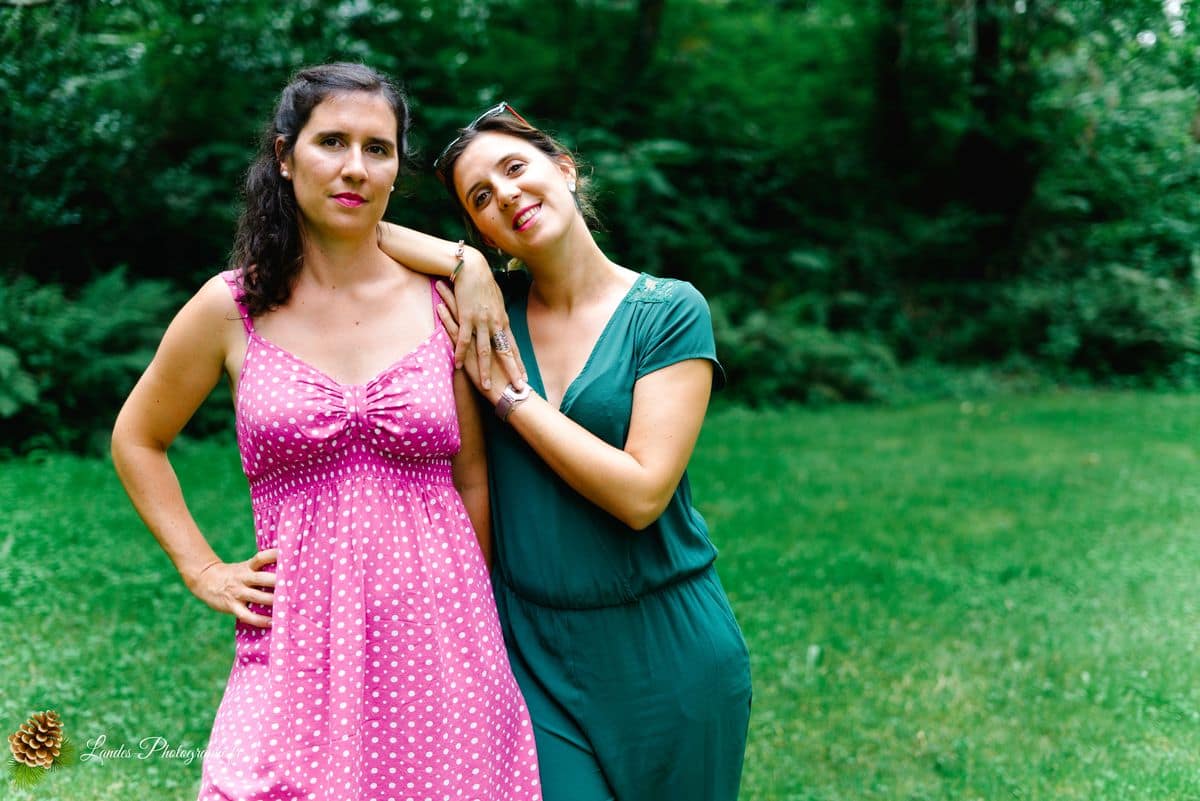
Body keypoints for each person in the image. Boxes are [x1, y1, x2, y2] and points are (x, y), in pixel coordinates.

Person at [110, 65, 540, 801]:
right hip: (296, 642)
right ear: (284, 156)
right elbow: (137, 438)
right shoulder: (232, 306)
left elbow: (472, 477)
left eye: (378, 148)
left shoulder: (443, 300)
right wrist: (203, 568)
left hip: (443, 642)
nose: (355, 167)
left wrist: (471, 622)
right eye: (332, 141)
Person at [383, 104, 752, 801]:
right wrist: (461, 265)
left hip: (672, 649)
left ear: (565, 167)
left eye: (515, 168)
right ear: (482, 233)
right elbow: (345, 223)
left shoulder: (669, 311)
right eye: (481, 199)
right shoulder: (484, 317)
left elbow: (642, 493)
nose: (508, 196)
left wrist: (512, 398)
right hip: (534, 654)